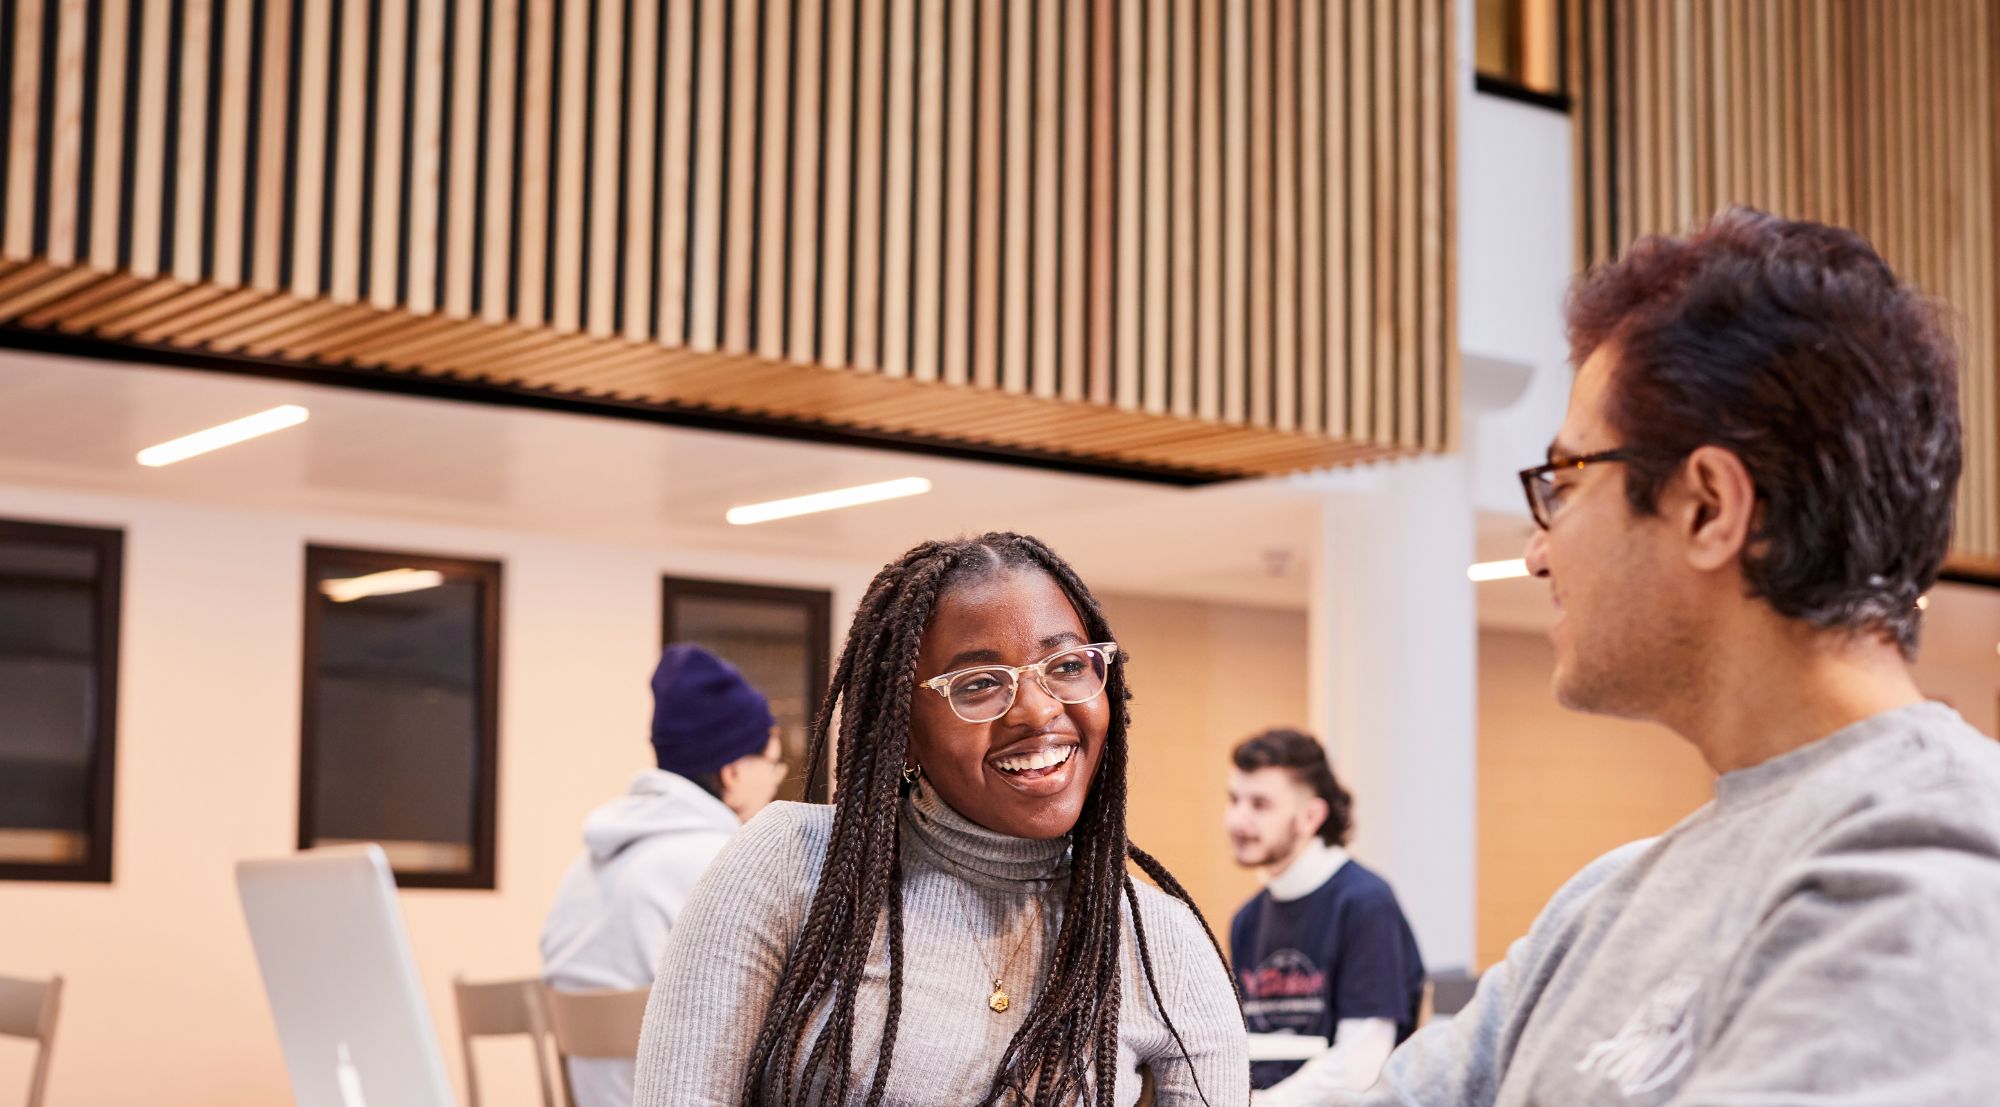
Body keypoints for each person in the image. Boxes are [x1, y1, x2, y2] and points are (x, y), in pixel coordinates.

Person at [1332, 209, 2000, 1106]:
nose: (1537, 551)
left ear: (1708, 507)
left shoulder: (1932, 873)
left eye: (1564, 482)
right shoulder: (1603, 903)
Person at [633, 533, 1249, 1106]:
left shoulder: (1159, 940)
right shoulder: (790, 865)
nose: (1038, 710)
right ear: (905, 729)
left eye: (1066, 667)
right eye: (979, 683)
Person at [541, 644, 789, 1107]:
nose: (776, 779)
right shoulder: (724, 863)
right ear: (733, 772)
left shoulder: (584, 865)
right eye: (773, 761)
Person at [1224, 728, 1423, 1103]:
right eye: (1234, 800)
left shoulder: (1366, 904)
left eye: (1260, 804)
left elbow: (1362, 1064)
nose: (1236, 820)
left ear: (1311, 816)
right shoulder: (1246, 919)